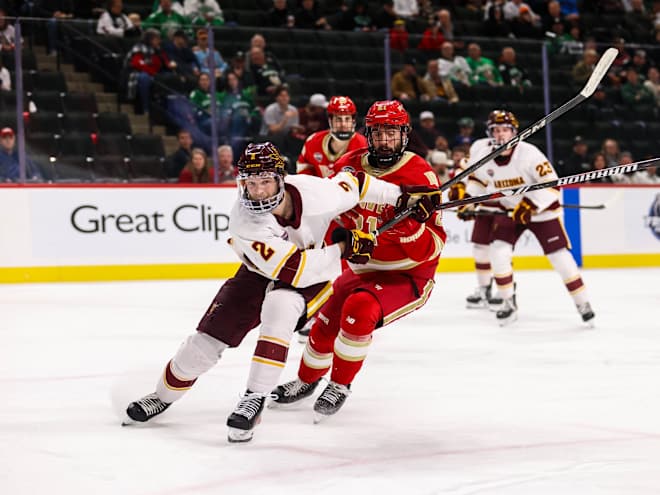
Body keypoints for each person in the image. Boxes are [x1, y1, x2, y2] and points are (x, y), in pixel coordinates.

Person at [124, 141, 441, 442]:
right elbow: (292, 268)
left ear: (281, 178)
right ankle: (161, 396)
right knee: (205, 343)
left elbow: (356, 183)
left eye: (265, 181)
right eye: (250, 182)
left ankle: (254, 398)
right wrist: (345, 247)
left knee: (280, 306)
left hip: (315, 280)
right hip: (264, 272)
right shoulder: (245, 221)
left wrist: (405, 196)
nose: (258, 190)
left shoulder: (315, 191)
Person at [272, 100, 447, 422]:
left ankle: (339, 384)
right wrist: (344, 241)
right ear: (368, 133)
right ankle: (307, 381)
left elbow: (431, 249)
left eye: (391, 133)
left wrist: (407, 228)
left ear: (404, 134)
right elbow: (333, 213)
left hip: (407, 276)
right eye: (378, 133)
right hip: (362, 268)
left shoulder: (419, 172)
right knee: (324, 324)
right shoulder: (351, 164)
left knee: (359, 310)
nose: (384, 141)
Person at [449, 110, 595, 326]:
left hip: (542, 212)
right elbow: (478, 182)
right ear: (490, 133)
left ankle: (582, 303)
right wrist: (467, 200)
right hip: (510, 211)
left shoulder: (530, 154)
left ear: (514, 132)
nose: (501, 135)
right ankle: (508, 302)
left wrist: (530, 204)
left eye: (505, 130)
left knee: (559, 258)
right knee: (498, 251)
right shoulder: (483, 152)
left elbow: (553, 186)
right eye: (496, 130)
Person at [296, 95, 367, 178]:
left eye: (347, 119)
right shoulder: (313, 141)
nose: (343, 124)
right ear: (330, 120)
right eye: (338, 119)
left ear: (353, 120)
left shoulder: (364, 146)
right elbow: (303, 170)